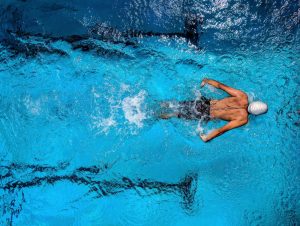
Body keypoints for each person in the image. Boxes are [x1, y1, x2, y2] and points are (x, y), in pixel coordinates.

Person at [160, 78, 268, 142]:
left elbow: (221, 86)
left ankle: (161, 103)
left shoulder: (242, 96)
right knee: (175, 114)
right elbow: (222, 130)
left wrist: (207, 80)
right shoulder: (243, 119)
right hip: (206, 114)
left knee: (176, 104)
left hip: (204, 103)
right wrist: (207, 138)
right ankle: (162, 115)